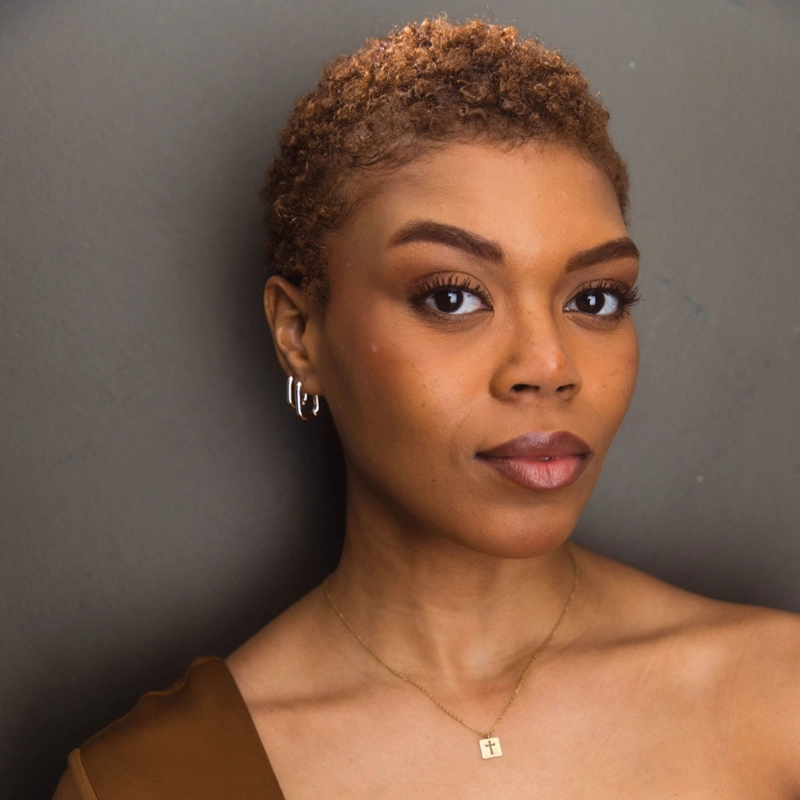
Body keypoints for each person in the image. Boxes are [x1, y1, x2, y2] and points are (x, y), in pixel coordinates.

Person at [53, 18, 800, 799]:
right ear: (300, 335)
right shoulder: (150, 780)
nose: (549, 366)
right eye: (452, 297)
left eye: (594, 299)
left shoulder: (779, 697)